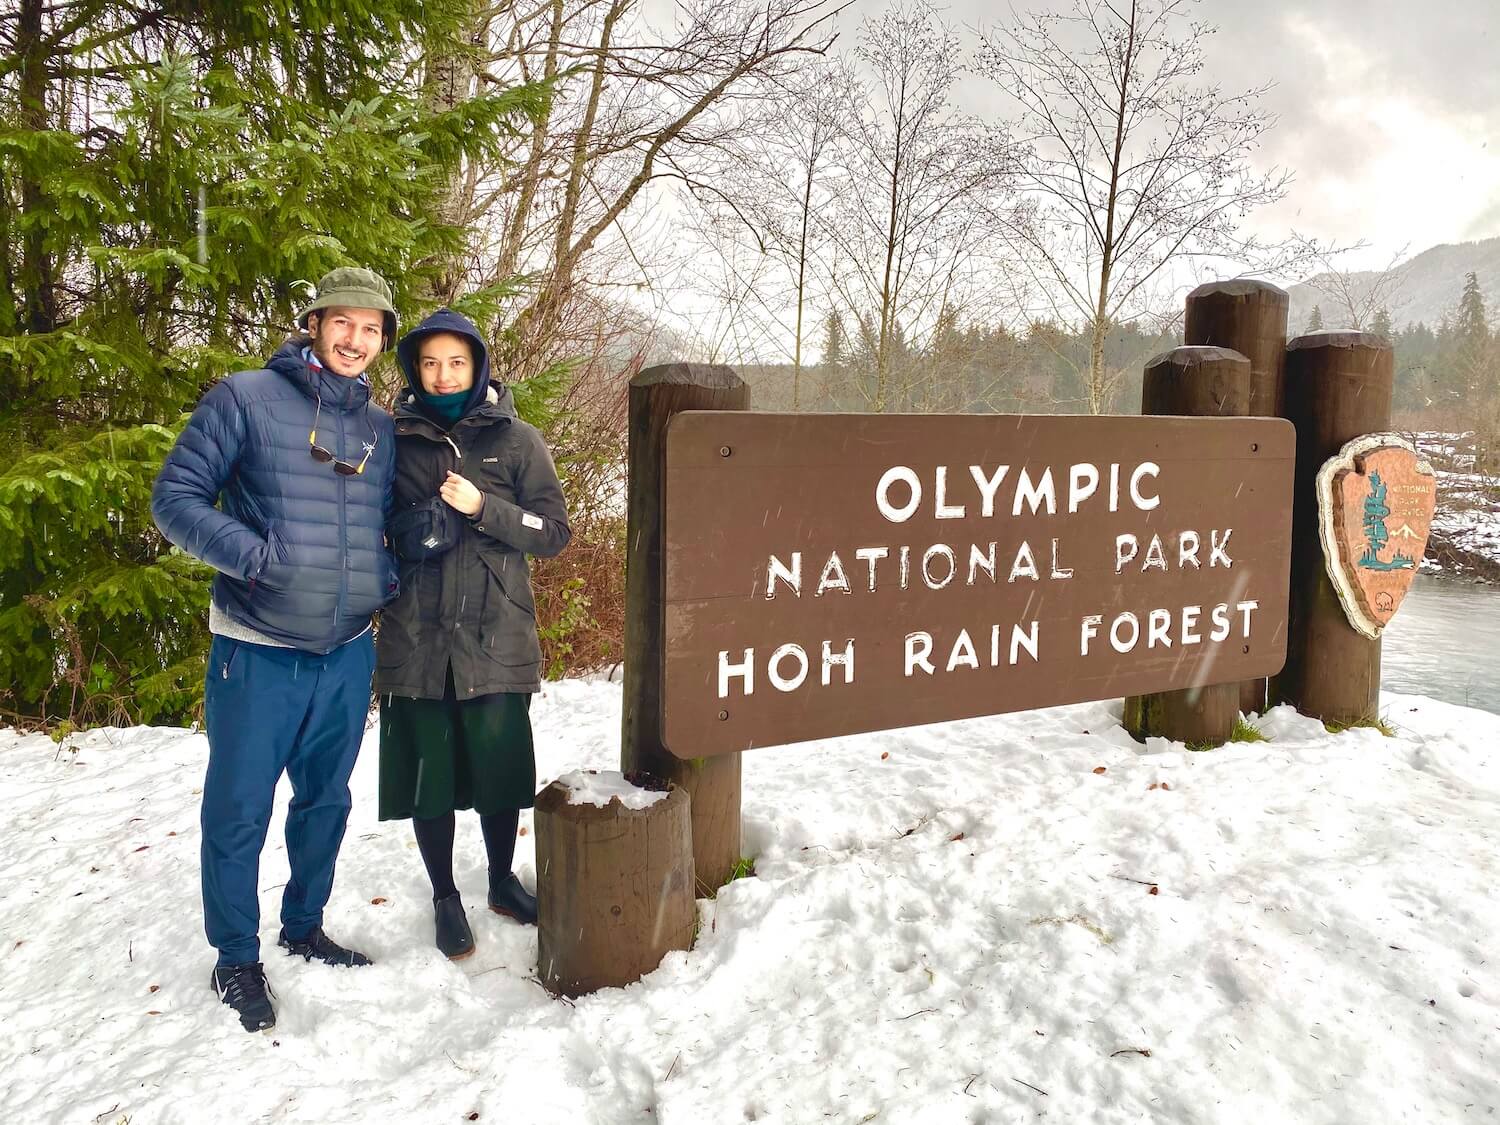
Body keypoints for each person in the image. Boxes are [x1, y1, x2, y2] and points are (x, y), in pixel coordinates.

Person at [151, 267, 401, 1032]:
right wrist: (256, 558)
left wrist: (384, 572)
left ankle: (303, 924)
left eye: (372, 328)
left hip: (348, 648)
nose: (355, 340)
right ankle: (235, 955)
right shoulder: (245, 398)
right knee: (238, 810)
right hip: (257, 649)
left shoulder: (380, 429)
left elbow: (382, 519)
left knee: (325, 800)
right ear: (316, 322)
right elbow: (176, 498)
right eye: (343, 323)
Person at [377, 308, 569, 961]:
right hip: (418, 637)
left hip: (496, 632)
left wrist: (484, 510)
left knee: (499, 770)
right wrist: (422, 524)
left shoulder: (519, 441)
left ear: (478, 364)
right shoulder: (395, 441)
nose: (442, 374)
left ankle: (500, 880)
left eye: (455, 361)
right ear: (413, 369)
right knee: (428, 774)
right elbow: (380, 532)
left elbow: (554, 535)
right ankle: (443, 897)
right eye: (429, 362)